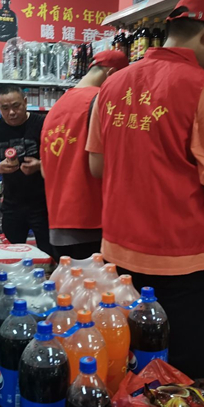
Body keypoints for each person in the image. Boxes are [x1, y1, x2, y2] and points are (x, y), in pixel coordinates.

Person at [85, 0, 204, 378]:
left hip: (118, 256)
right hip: (181, 261)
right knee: (185, 376)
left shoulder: (113, 84)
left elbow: (96, 166)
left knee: (127, 368)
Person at [41, 50, 128, 260]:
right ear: (111, 74)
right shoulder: (101, 101)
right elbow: (103, 166)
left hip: (58, 223)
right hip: (92, 222)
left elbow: (45, 170)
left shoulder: (56, 107)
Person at [0, 86, 52, 256]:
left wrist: (39, 165)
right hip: (12, 203)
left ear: (25, 102)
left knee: (49, 253)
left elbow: (59, 158)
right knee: (12, 255)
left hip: (43, 203)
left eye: (16, 106)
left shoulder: (42, 123)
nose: (11, 112)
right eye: (5, 108)